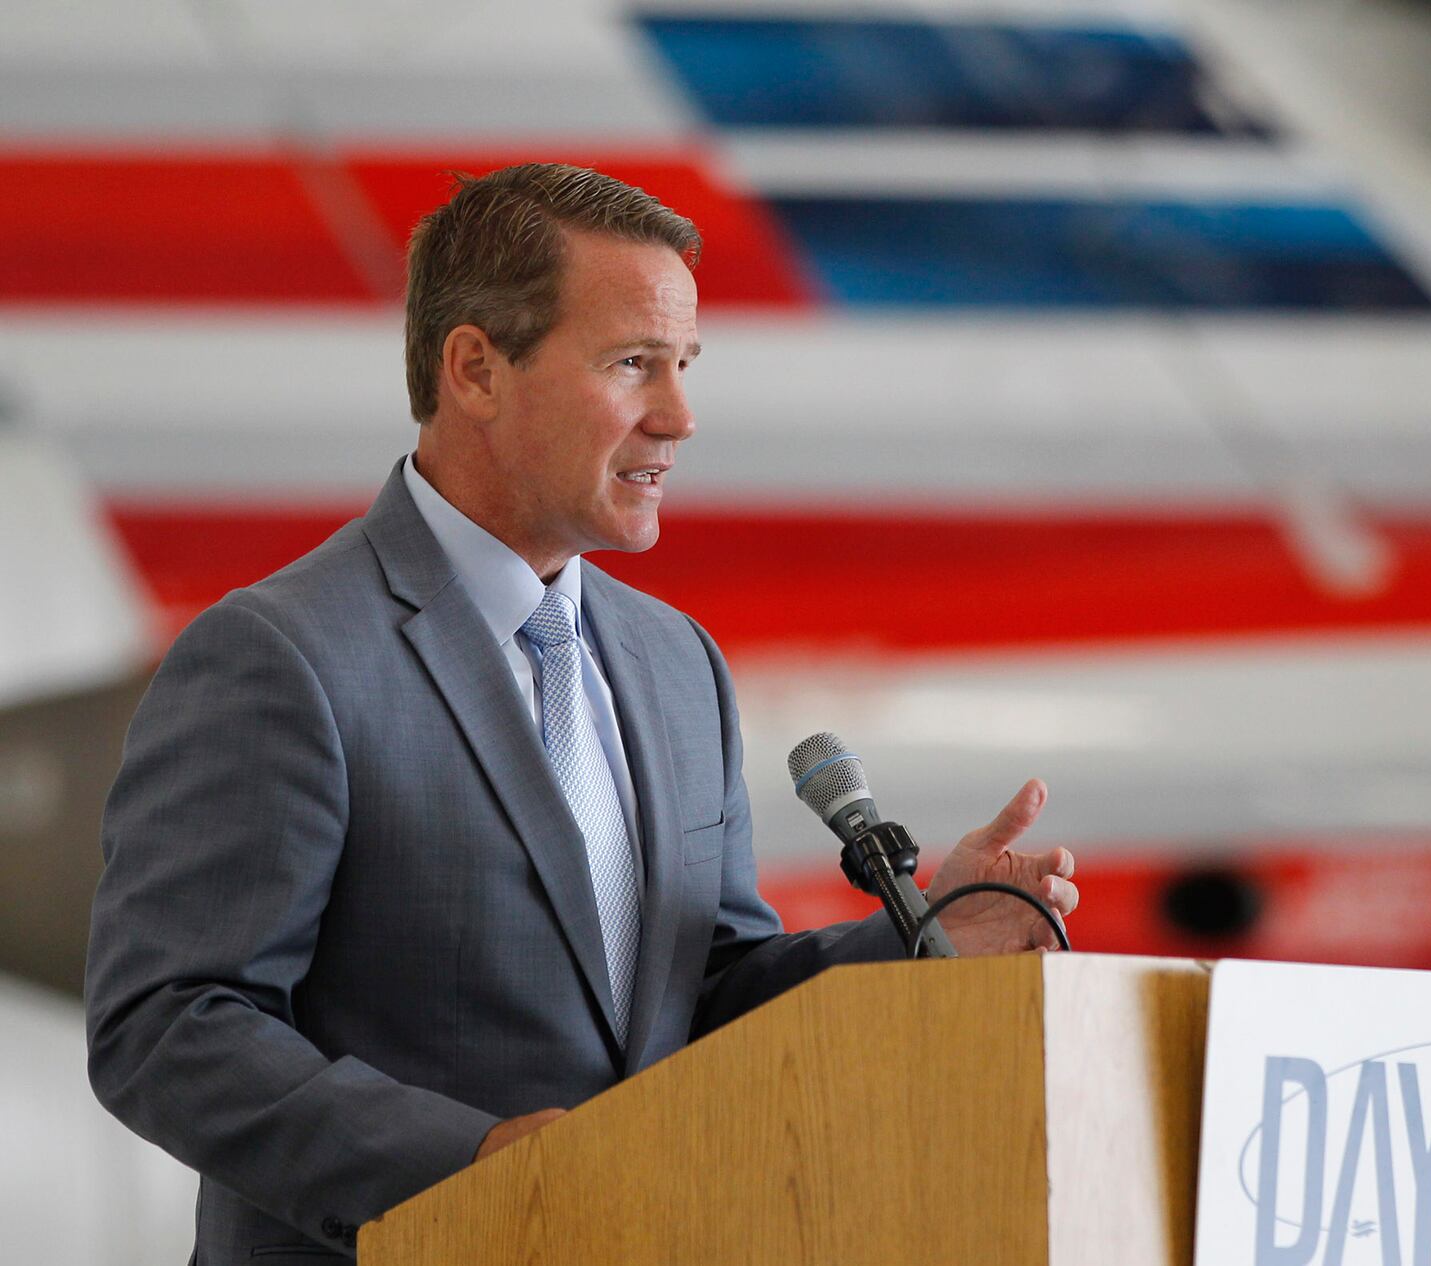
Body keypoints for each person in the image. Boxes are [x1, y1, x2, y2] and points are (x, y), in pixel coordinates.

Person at [84, 163, 1079, 1262]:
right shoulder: (281, 657)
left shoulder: (672, 661)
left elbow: (701, 993)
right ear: (475, 370)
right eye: (631, 364)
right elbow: (170, 1027)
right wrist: (476, 1166)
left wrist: (917, 938)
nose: (680, 416)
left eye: (685, 366)